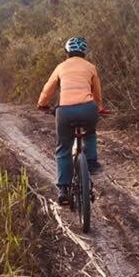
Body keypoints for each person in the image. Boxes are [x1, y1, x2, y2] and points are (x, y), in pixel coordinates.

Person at [37, 36, 106, 204]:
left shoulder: (61, 67)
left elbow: (48, 89)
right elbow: (96, 92)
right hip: (88, 109)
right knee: (89, 133)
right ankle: (91, 162)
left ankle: (63, 189)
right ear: (84, 53)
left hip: (65, 112)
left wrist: (42, 104)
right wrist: (99, 107)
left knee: (63, 148)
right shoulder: (90, 67)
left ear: (66, 52)